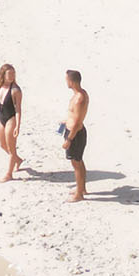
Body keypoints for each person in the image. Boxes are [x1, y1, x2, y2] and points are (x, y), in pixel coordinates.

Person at [0, 63, 23, 182]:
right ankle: (17, 160)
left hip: (11, 118)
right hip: (0, 116)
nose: (12, 76)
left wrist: (18, 125)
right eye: (9, 74)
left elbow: (18, 109)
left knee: (11, 148)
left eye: (13, 74)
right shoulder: (0, 86)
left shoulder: (16, 90)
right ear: (3, 75)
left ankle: (9, 174)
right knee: (3, 145)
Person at [61, 68, 89, 201]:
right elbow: (73, 116)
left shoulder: (80, 98)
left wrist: (69, 139)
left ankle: (79, 194)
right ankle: (81, 188)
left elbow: (77, 123)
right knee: (78, 161)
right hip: (72, 130)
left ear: (72, 81)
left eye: (67, 80)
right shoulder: (78, 94)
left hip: (75, 134)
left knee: (76, 163)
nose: (66, 82)